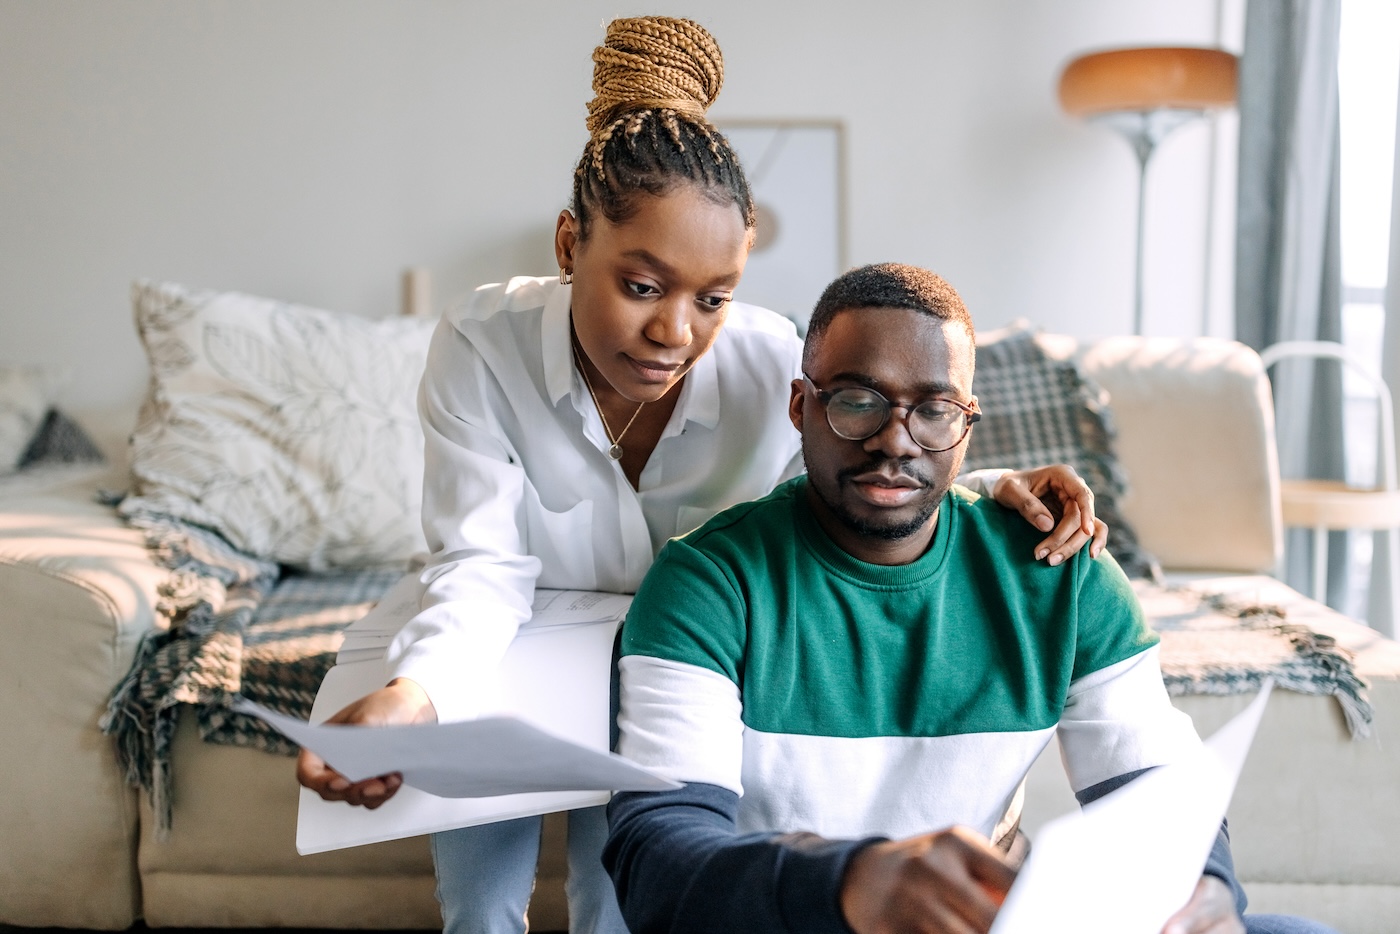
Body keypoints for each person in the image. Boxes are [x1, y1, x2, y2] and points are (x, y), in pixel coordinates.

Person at [297, 19, 1107, 934]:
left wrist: (986, 492)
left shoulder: (768, 363)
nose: (675, 332)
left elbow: (856, 482)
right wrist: (419, 691)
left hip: (677, 662)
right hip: (505, 646)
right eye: (642, 287)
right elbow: (480, 564)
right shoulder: (482, 344)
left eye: (713, 297)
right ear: (568, 246)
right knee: (480, 901)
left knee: (623, 900)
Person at [603, 263, 1340, 934]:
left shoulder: (1061, 569)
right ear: (801, 406)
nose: (896, 441)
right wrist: (853, 884)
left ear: (967, 424)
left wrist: (1203, 889)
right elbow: (659, 861)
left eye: (934, 410)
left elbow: (1156, 790)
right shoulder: (706, 582)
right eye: (857, 401)